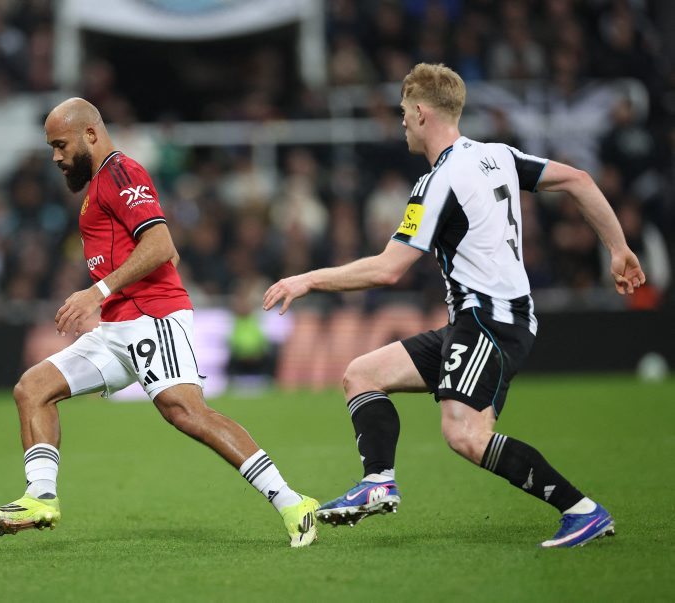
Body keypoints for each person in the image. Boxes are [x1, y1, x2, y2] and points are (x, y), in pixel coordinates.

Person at [262, 64, 645, 548]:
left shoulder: (438, 181)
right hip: (480, 319)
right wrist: (618, 248)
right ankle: (378, 481)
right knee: (362, 374)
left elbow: (387, 269)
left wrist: (306, 279)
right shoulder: (498, 155)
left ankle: (581, 510)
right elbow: (580, 179)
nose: (402, 121)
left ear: (422, 113)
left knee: (465, 434)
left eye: (404, 112)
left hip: (489, 320)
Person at [0, 98, 319, 547]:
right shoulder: (100, 184)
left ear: (90, 134)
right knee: (33, 389)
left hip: (151, 316)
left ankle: (293, 503)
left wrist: (96, 292)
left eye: (60, 145)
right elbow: (161, 253)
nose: (56, 157)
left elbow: (160, 245)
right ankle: (40, 498)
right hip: (116, 325)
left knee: (186, 412)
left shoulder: (121, 173)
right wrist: (110, 294)